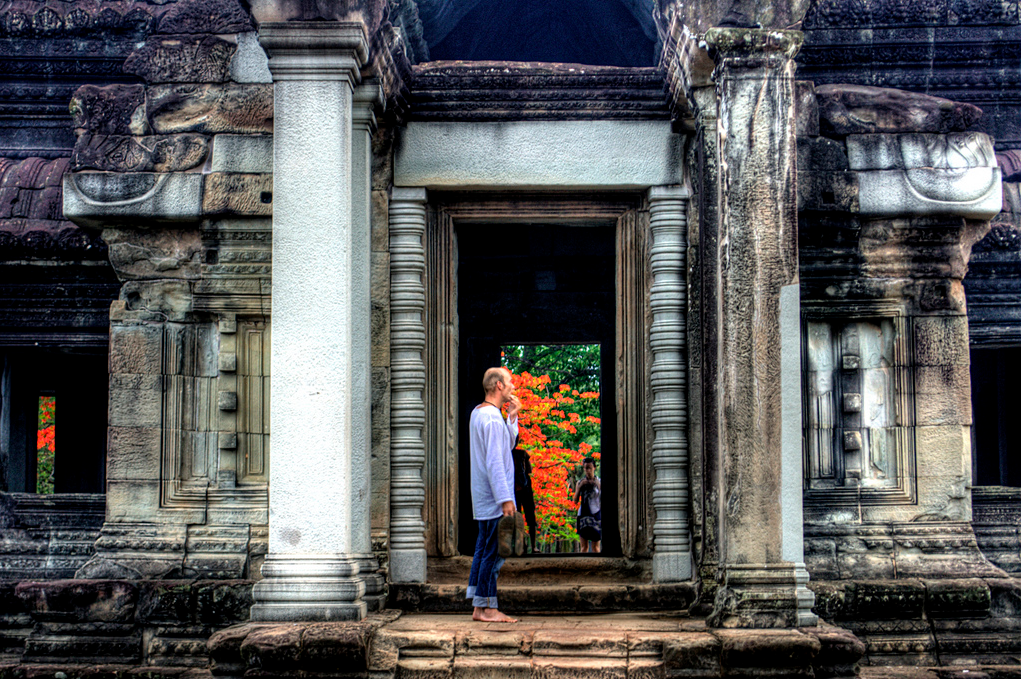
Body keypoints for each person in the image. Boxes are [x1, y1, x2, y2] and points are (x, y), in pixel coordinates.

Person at [467, 366, 520, 623]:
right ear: (498, 385)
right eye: (509, 381)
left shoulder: (482, 414)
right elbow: (495, 462)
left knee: (483, 549)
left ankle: (479, 606)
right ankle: (488, 607)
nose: (512, 386)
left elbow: (506, 446)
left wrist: (512, 416)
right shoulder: (490, 418)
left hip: (485, 498)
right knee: (493, 553)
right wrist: (505, 498)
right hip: (493, 498)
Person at [512, 444, 538, 553]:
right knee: (529, 519)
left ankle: (524, 546)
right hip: (524, 489)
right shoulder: (522, 453)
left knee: (520, 519)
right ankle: (531, 546)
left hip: (518, 489)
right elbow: (530, 470)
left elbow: (528, 469)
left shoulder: (514, 454)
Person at [574, 457, 601, 553]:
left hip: (595, 514)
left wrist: (598, 486)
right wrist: (579, 487)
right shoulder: (580, 482)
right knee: (584, 547)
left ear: (594, 468)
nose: (587, 470)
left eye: (589, 468)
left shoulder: (599, 482)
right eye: (585, 468)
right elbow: (575, 501)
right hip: (583, 515)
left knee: (596, 548)